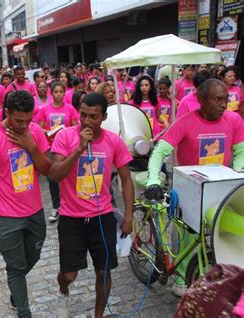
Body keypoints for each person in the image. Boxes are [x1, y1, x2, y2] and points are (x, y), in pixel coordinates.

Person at [145, 79, 244, 297]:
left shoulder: (234, 120)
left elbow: (240, 152)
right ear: (201, 100)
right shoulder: (184, 122)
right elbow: (160, 152)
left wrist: (237, 174)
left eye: (225, 99)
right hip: (188, 188)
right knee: (186, 236)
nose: (223, 104)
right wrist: (153, 179)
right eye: (217, 99)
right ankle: (181, 277)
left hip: (219, 188)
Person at [49, 93, 134, 318]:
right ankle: (63, 289)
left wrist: (128, 216)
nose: (86, 121)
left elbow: (126, 178)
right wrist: (78, 149)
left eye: (93, 117)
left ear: (104, 117)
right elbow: (55, 174)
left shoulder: (113, 141)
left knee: (103, 271)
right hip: (71, 217)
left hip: (102, 216)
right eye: (83, 115)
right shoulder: (65, 137)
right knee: (69, 274)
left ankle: (98, 315)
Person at [0, 90, 51, 317]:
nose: (24, 125)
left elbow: (47, 170)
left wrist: (32, 146)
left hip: (35, 211)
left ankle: (15, 288)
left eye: (28, 120)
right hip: (7, 216)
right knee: (16, 267)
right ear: (7, 112)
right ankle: (23, 310)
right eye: (19, 120)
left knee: (33, 257)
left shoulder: (35, 132)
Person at [38, 81, 79, 223]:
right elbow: (40, 128)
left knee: (69, 175)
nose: (59, 95)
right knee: (53, 177)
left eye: (61, 92)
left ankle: (71, 203)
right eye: (56, 92)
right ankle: (56, 206)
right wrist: (48, 131)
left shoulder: (70, 109)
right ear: (51, 93)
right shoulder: (44, 109)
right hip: (51, 147)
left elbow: (75, 127)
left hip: (67, 147)